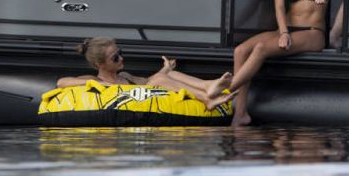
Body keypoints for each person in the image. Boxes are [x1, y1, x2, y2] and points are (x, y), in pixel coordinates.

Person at [224, 0, 346, 125]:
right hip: (287, 28)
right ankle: (241, 114)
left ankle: (222, 93)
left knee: (261, 48)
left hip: (313, 32)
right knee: (240, 51)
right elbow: (279, 6)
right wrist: (283, 33)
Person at [57, 36, 235, 107]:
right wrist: (95, 83)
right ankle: (206, 98)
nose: (122, 59)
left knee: (164, 76)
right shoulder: (92, 79)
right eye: (115, 58)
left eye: (121, 53)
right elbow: (62, 82)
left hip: (146, 94)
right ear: (99, 64)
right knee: (159, 79)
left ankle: (208, 85)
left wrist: (166, 69)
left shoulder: (126, 77)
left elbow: (150, 81)